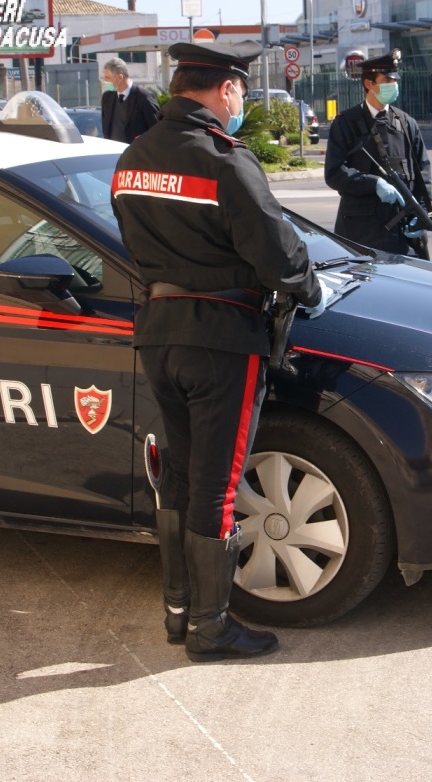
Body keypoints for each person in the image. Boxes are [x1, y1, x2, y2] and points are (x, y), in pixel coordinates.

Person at [111, 42, 324, 662]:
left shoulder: (132, 160)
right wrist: (310, 290)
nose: (240, 100)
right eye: (238, 89)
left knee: (179, 477)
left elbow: (134, 244)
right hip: (222, 339)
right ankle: (211, 628)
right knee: (217, 487)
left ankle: (179, 613)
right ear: (222, 90)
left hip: (159, 334)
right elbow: (280, 255)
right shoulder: (226, 162)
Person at [324, 49, 432, 259]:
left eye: (394, 80)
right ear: (369, 84)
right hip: (362, 234)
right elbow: (334, 173)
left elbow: (423, 172)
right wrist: (373, 183)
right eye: (386, 80)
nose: (393, 85)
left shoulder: (406, 123)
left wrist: (421, 213)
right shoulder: (346, 123)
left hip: (404, 235)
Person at [99, 58, 161, 144]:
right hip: (113, 154)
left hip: (136, 154)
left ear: (120, 77)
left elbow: (156, 130)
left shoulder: (144, 98)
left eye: (107, 78)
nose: (105, 82)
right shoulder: (107, 97)